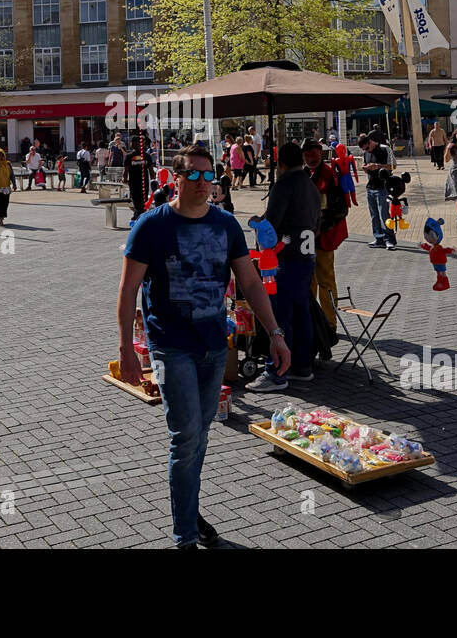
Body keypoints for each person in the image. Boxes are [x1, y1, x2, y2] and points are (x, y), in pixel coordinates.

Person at [116, 144, 289, 548]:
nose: (201, 183)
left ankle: (187, 507)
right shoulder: (151, 225)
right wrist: (126, 349)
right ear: (174, 178)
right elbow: (127, 292)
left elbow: (249, 282)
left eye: (207, 175)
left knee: (201, 435)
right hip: (170, 346)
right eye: (192, 174)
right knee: (186, 435)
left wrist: (276, 333)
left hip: (214, 345)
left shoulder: (226, 225)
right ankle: (185, 537)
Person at [246, 142, 320, 392]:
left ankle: (275, 371)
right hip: (307, 255)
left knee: (279, 314)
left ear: (280, 164)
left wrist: (258, 226)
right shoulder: (310, 186)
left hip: (285, 258)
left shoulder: (284, 185)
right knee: (301, 312)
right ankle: (302, 365)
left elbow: (272, 223)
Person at [303, 138, 348, 348]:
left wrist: (322, 227)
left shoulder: (330, 176)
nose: (309, 157)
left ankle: (330, 325)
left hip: (324, 237)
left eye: (312, 153)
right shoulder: (304, 173)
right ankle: (311, 320)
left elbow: (340, 209)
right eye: (306, 154)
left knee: (326, 281)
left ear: (320, 153)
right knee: (308, 280)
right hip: (305, 238)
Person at [362, 130, 398, 250]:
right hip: (370, 187)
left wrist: (378, 166)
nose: (367, 151)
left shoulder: (384, 149)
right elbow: (365, 164)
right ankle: (379, 238)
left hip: (383, 187)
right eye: (364, 150)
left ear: (371, 142)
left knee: (384, 215)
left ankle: (389, 239)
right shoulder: (366, 153)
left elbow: (393, 165)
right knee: (374, 215)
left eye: (367, 148)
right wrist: (365, 168)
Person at [124, 134, 154, 222]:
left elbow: (151, 170)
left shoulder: (147, 156)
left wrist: (153, 181)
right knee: (136, 201)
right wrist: (124, 178)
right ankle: (139, 216)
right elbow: (125, 170)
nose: (137, 145)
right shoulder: (129, 156)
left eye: (139, 143)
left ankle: (138, 216)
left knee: (143, 201)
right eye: (135, 143)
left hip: (144, 183)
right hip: (133, 183)